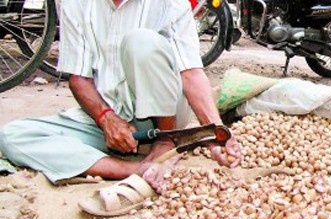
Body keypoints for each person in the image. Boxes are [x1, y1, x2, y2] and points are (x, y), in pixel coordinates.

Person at [0, 0, 242, 190]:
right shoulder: (76, 4)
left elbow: (190, 73)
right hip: (109, 113)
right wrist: (106, 118)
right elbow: (79, 78)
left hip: (164, 118)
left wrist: (215, 132)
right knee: (13, 136)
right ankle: (134, 169)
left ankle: (165, 144)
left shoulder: (170, 3)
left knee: (140, 42)